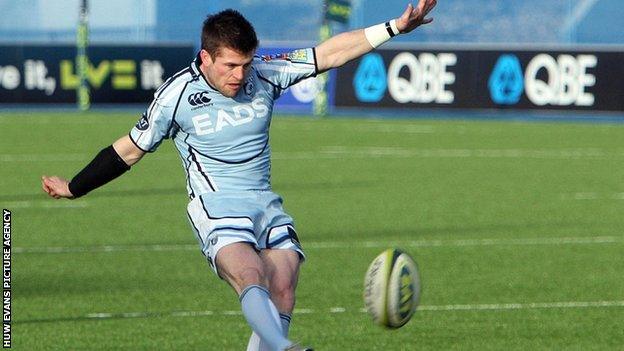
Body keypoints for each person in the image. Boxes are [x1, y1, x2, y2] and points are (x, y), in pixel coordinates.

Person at [41, 1, 436, 350]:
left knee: (284, 282)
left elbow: (330, 53)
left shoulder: (263, 74)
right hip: (215, 205)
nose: (239, 74)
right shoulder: (176, 95)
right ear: (206, 58)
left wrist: (396, 27)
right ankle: (285, 348)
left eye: (245, 63)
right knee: (250, 273)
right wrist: (75, 187)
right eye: (230, 65)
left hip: (264, 202)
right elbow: (129, 149)